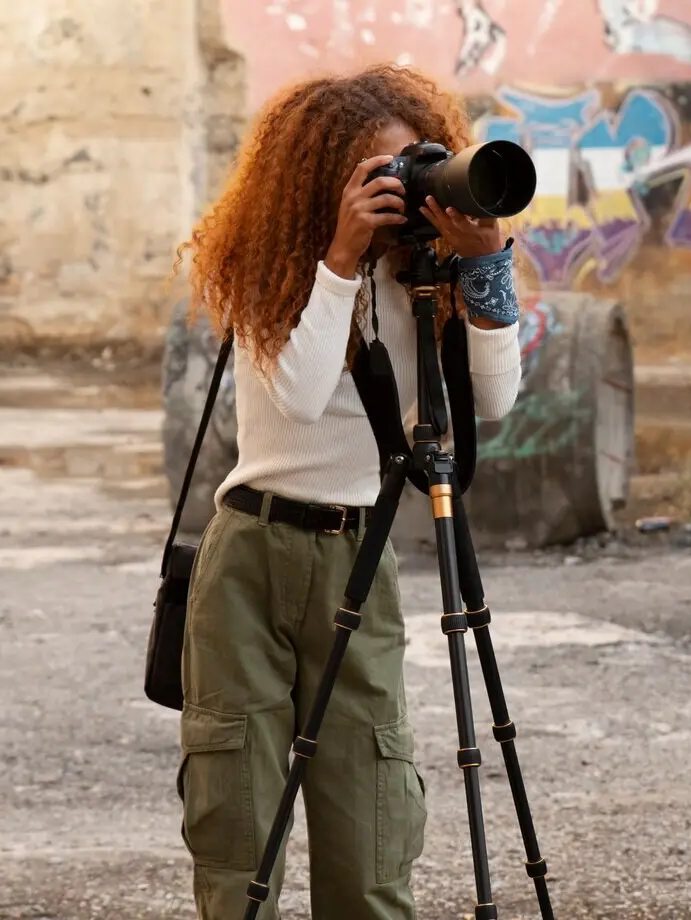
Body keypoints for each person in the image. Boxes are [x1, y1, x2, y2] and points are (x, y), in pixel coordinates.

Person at [173, 63, 524, 920]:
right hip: (251, 555)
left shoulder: (424, 280)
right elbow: (298, 397)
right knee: (237, 818)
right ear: (325, 184)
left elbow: (493, 402)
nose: (408, 189)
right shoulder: (278, 273)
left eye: (420, 165)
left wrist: (487, 269)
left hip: (358, 554)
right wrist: (339, 258)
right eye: (383, 173)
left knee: (370, 813)